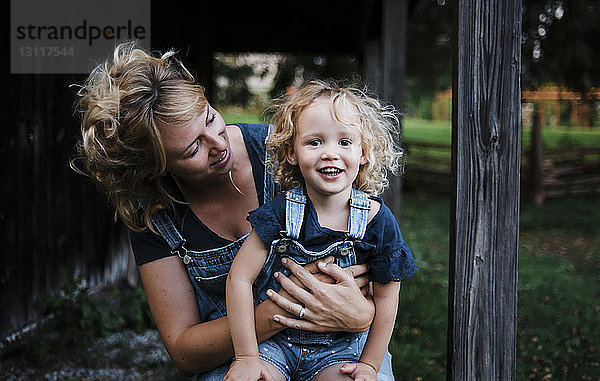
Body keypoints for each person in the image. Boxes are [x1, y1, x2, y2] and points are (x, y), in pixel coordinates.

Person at [72, 42, 397, 379]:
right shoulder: (155, 216)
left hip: (340, 341)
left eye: (210, 118)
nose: (218, 142)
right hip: (247, 347)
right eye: (193, 147)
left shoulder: (296, 151)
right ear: (156, 167)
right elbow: (185, 351)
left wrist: (362, 315)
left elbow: (371, 254)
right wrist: (286, 311)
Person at [224, 81, 417, 381]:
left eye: (344, 142)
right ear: (292, 152)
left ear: (364, 152)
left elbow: (387, 298)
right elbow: (239, 277)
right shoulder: (281, 212)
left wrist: (369, 364)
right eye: (315, 142)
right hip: (276, 345)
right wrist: (246, 356)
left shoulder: (377, 222)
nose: (330, 153)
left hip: (340, 348)